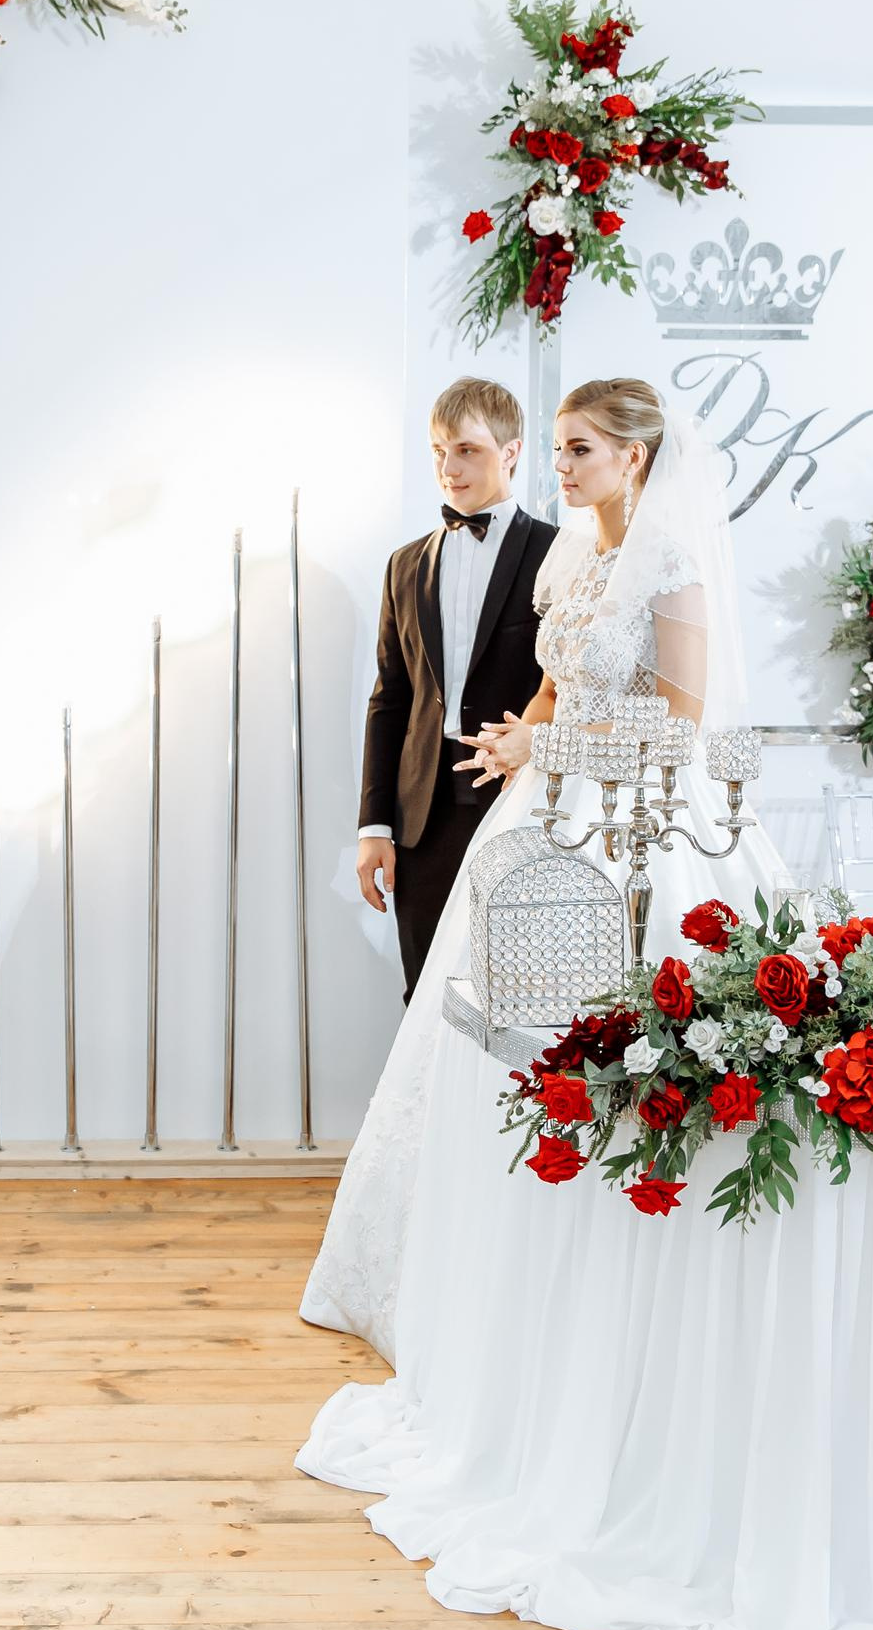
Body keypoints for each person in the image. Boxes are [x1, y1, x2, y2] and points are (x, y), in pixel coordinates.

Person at [301, 378, 788, 1361]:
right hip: (543, 809)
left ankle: (615, 1274)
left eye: (578, 449)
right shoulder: (575, 556)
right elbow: (553, 689)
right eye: (559, 448)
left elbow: (681, 728)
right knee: (483, 1029)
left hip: (643, 827)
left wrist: (548, 746)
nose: (560, 466)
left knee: (609, 1036)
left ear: (633, 457)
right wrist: (517, 739)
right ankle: (485, 1277)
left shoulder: (672, 566)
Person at [357, 378, 560, 998]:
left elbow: (570, 687)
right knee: (426, 994)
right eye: (439, 451)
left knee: (519, 995)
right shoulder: (404, 564)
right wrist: (374, 826)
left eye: (467, 450)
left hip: (519, 798)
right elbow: (390, 700)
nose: (449, 469)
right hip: (422, 814)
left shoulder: (559, 554)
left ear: (511, 451)